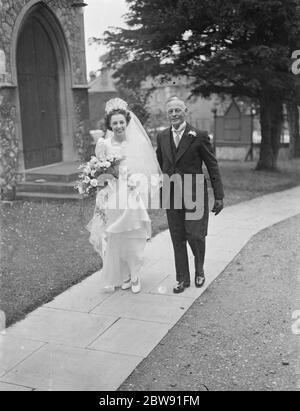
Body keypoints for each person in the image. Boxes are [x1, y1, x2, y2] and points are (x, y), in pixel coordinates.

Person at [87, 98, 162, 293]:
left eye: (121, 122)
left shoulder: (136, 144)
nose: (119, 126)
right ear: (109, 125)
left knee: (134, 235)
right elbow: (100, 173)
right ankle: (125, 275)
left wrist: (135, 183)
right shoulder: (104, 145)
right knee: (116, 237)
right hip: (112, 197)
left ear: (126, 122)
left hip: (131, 196)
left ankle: (135, 275)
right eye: (115, 123)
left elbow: (146, 172)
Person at [156, 97, 224, 294]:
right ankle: (182, 278)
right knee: (177, 236)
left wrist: (218, 195)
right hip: (172, 193)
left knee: (195, 235)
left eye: (178, 110)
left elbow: (212, 165)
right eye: (171, 111)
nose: (174, 114)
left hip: (194, 193)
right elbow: (162, 162)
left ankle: (199, 269)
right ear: (167, 114)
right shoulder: (162, 136)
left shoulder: (199, 135)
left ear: (185, 111)